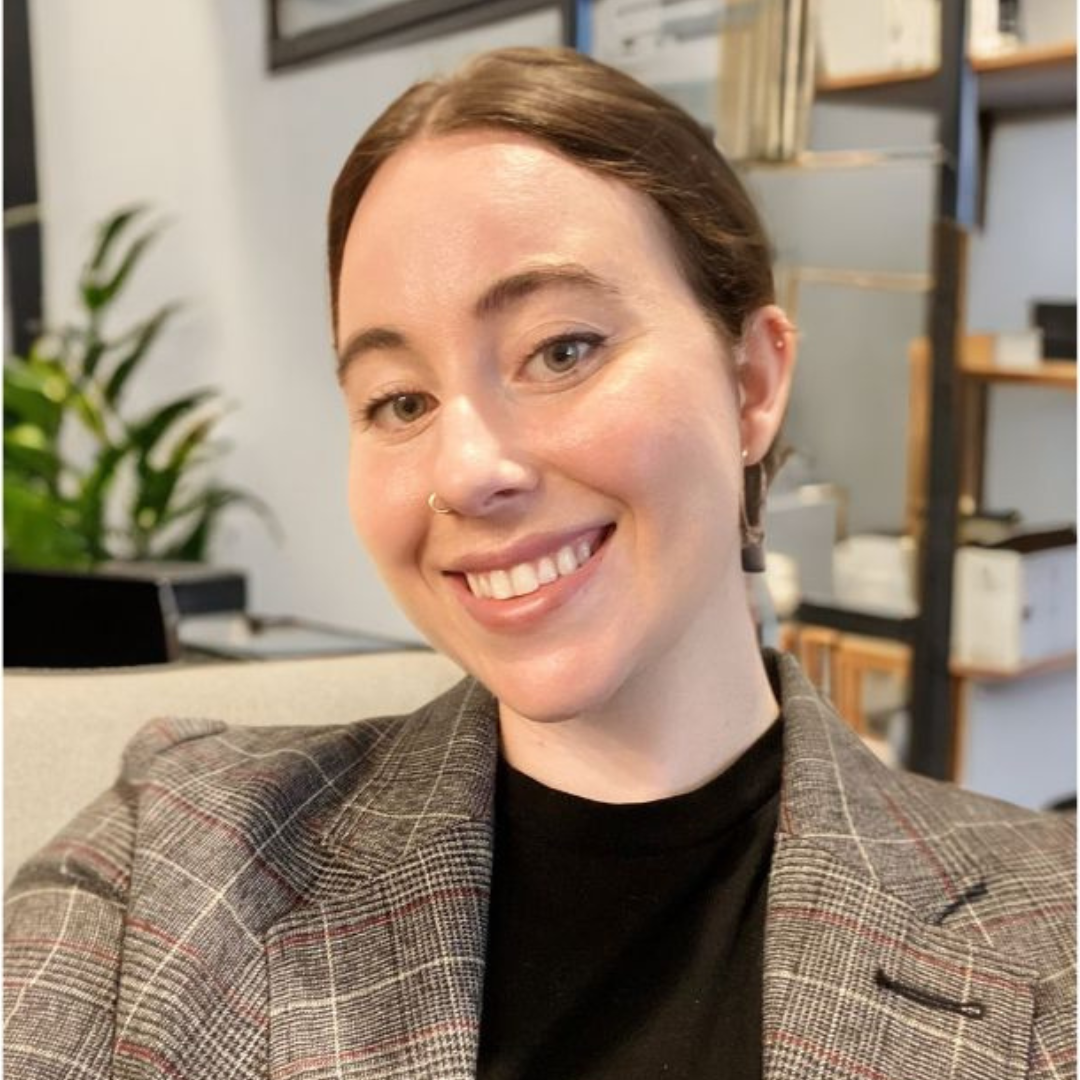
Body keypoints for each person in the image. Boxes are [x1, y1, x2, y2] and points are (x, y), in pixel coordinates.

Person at [5, 47, 1073, 1080]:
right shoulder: (177, 853)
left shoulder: (1051, 930)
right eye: (401, 402)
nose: (467, 471)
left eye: (563, 349)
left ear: (750, 384)